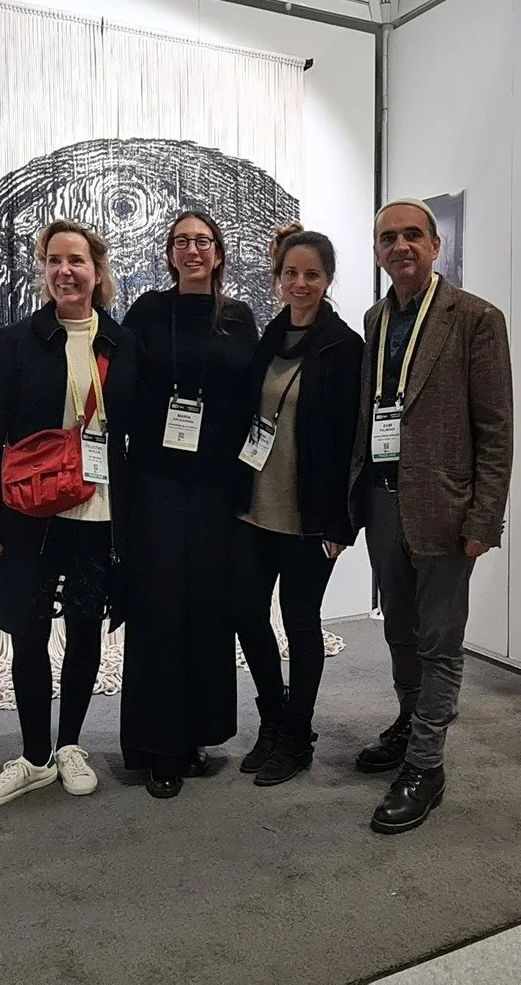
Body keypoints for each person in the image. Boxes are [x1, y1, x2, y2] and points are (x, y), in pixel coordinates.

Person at [348, 198, 512, 835]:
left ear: (435, 245)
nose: (400, 246)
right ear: (378, 251)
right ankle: (409, 723)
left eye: (412, 235)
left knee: (440, 642)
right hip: (384, 502)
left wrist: (484, 520)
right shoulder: (375, 318)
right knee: (399, 630)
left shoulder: (476, 319)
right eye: (388, 238)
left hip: (445, 508)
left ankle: (425, 765)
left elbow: (495, 430)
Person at [0, 220, 139, 808]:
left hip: (99, 512)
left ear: (97, 270)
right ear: (44, 270)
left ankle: (70, 746)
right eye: (55, 260)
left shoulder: (121, 343)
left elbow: (135, 436)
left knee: (86, 629)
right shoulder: (17, 343)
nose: (66, 271)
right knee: (29, 631)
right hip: (29, 515)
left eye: (77, 260)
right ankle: (35, 756)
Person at [120, 210, 260, 798]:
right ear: (170, 254)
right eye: (181, 242)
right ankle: (159, 747)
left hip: (216, 487)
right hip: (155, 482)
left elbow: (254, 400)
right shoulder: (148, 313)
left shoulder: (240, 318)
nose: (192, 250)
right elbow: (124, 392)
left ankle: (198, 733)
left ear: (218, 253)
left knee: (207, 609)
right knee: (158, 608)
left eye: (203, 241)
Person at [229, 224, 364, 787]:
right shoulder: (269, 337)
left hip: (309, 517)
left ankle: (297, 736)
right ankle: (273, 719)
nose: (300, 283)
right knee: (246, 614)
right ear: (278, 278)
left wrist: (342, 522)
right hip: (254, 509)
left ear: (327, 280)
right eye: (291, 273)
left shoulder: (344, 347)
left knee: (300, 622)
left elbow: (353, 442)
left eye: (312, 274)